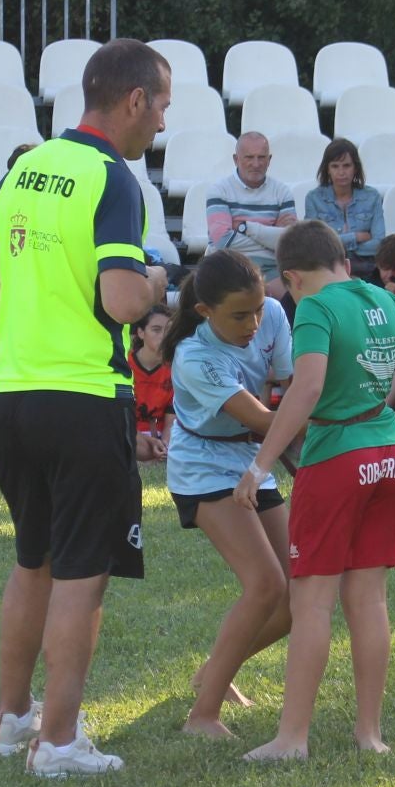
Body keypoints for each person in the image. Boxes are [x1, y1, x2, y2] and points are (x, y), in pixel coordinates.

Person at [0, 38, 169, 778]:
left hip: (14, 391)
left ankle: (9, 718)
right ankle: (56, 743)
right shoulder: (113, 179)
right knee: (82, 573)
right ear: (133, 100)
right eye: (160, 107)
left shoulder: (24, 169)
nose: (160, 124)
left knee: (34, 559)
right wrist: (156, 280)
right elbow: (122, 300)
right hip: (84, 396)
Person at [234, 220, 395, 761]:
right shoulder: (386, 302)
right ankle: (369, 734)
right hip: (389, 456)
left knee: (311, 601)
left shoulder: (315, 307)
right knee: (370, 598)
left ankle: (292, 739)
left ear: (291, 278)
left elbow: (308, 387)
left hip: (337, 458)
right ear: (341, 258)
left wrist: (260, 464)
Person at [160, 249, 295, 736]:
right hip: (203, 468)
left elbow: (292, 382)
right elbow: (262, 418)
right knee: (265, 586)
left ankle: (211, 673)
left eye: (258, 309)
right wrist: (344, 421)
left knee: (296, 597)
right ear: (205, 312)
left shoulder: (273, 314)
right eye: (240, 316)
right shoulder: (195, 357)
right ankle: (203, 717)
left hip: (253, 461)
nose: (254, 322)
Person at [206, 132, 297, 300]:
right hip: (228, 265)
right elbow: (222, 241)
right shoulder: (219, 190)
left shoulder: (283, 192)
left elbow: (289, 242)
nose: (256, 164)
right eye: (249, 157)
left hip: (272, 268)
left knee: (293, 300)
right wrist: (270, 238)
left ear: (269, 160)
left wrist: (245, 228)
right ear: (236, 159)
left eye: (261, 157)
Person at [302, 138, 385, 275]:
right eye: (335, 166)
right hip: (329, 269)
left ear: (355, 168)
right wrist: (355, 237)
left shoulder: (372, 196)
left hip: (367, 268)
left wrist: (337, 244)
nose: (341, 172)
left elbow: (379, 244)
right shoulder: (314, 198)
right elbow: (315, 245)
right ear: (327, 169)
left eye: (346, 166)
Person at [130, 303, 172, 461]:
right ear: (141, 333)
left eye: (168, 330)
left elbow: (172, 420)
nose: (163, 336)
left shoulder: (176, 368)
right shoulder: (125, 365)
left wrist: (165, 445)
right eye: (156, 330)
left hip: (162, 437)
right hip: (133, 436)